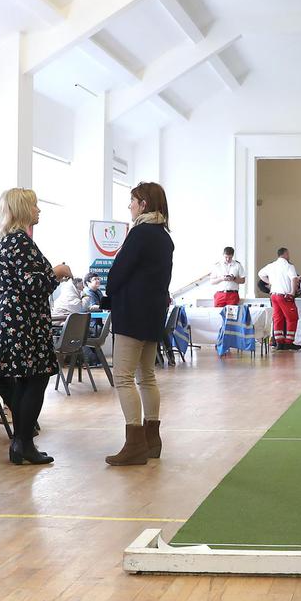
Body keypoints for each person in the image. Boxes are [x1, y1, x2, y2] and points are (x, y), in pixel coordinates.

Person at [0, 189, 72, 466]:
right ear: (23, 209)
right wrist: (56, 273)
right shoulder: (19, 242)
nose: (39, 210)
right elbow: (32, 286)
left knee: (29, 380)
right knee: (35, 380)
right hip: (25, 322)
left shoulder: (8, 241)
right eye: (35, 205)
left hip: (17, 320)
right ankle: (23, 442)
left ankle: (22, 442)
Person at [104, 182, 175, 467]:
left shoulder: (139, 234)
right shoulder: (164, 237)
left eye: (132, 201)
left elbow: (119, 272)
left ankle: (134, 444)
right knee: (146, 376)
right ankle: (152, 439)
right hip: (153, 314)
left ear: (143, 204)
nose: (129, 206)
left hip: (132, 313)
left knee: (123, 377)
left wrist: (108, 289)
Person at [259, 247, 300, 350]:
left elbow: (260, 274)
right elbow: (294, 279)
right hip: (284, 296)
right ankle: (289, 342)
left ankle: (279, 342)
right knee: (292, 318)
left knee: (278, 318)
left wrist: (270, 282)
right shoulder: (288, 266)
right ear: (285, 254)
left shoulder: (271, 265)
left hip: (274, 295)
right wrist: (292, 292)